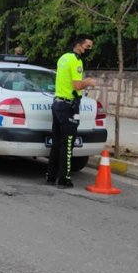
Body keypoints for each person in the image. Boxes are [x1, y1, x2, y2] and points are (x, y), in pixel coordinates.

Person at [46, 35, 98, 187]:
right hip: (68, 106)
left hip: (57, 103)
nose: (89, 49)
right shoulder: (76, 60)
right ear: (78, 45)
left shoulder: (63, 58)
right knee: (67, 144)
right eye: (87, 46)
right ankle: (64, 179)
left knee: (56, 142)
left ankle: (51, 176)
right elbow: (77, 85)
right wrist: (88, 82)